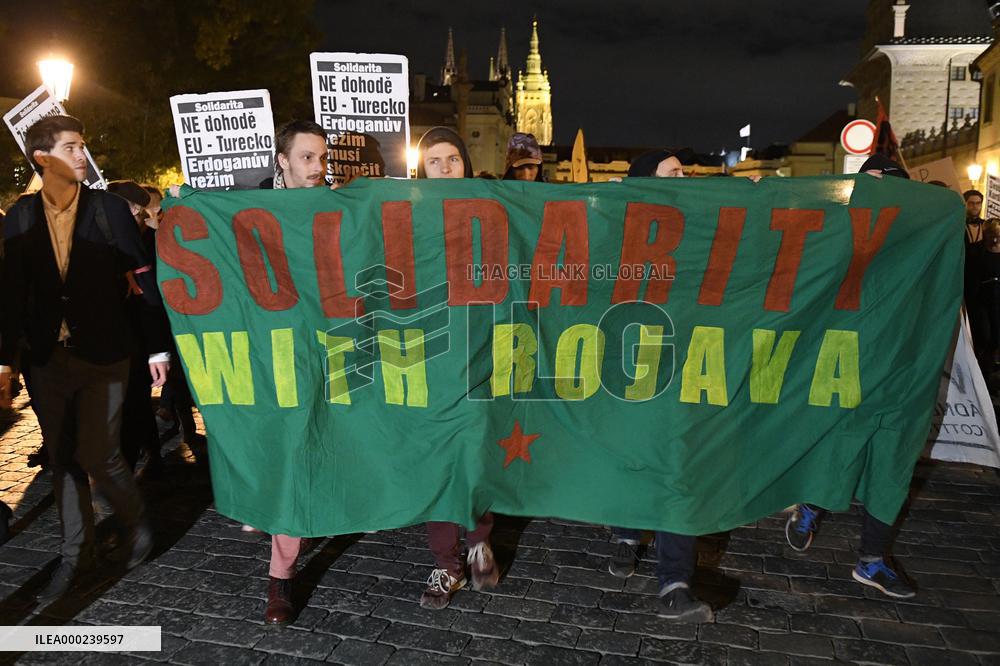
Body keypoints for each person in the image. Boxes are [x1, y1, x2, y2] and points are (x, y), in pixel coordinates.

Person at [0, 115, 170, 603]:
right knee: (64, 459)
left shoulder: (110, 210)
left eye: (82, 147)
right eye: (71, 147)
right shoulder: (20, 216)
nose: (82, 156)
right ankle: (77, 554)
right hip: (46, 358)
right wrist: (6, 361)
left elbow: (143, 283)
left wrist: (157, 346)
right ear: (43, 158)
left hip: (107, 353)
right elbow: (12, 295)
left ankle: (136, 520)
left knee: (100, 451)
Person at [784, 153, 917, 600]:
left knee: (892, 463)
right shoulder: (837, 231)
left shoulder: (920, 236)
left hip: (901, 365)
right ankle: (811, 504)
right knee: (836, 446)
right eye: (870, 183)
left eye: (887, 183)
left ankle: (872, 560)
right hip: (843, 359)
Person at [607, 147, 713, 623]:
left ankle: (675, 579)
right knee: (634, 457)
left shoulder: (701, 228)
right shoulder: (619, 230)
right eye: (674, 172)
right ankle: (628, 534)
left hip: (685, 365)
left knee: (680, 466)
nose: (685, 177)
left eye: (685, 170)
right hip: (632, 364)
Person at [415, 126, 498, 610]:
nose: (444, 169)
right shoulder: (406, 212)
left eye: (452, 160)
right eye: (434, 162)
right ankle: (447, 563)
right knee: (437, 462)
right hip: (429, 355)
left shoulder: (493, 207)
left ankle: (479, 539)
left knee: (476, 451)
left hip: (481, 349)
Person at [261, 119, 331, 626]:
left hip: (334, 350)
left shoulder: (339, 204)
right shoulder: (249, 209)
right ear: (282, 161)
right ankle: (280, 577)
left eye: (322, 158)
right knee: (291, 455)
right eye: (307, 158)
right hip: (279, 353)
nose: (317, 167)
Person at [107, 180, 164, 476]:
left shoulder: (144, 238)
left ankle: (135, 461)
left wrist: (158, 349)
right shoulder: (105, 236)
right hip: (114, 338)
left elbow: (151, 296)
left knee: (135, 402)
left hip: (139, 334)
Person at [965, 219, 1000, 379]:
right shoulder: (976, 251)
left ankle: (989, 367)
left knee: (996, 335)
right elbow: (971, 278)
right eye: (992, 235)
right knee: (983, 334)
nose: (995, 240)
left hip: (997, 298)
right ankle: (979, 368)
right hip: (980, 299)